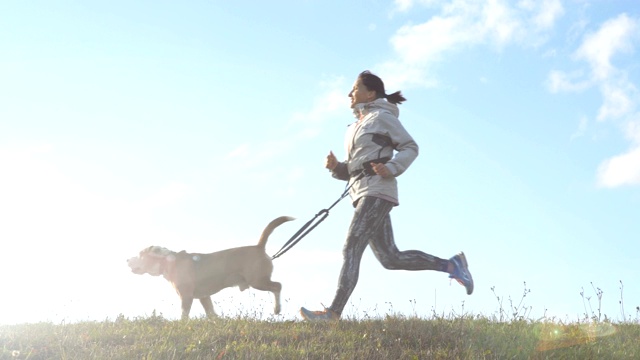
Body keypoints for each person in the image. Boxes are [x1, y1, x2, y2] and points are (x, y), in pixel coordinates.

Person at [299, 70, 473, 321]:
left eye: (355, 88)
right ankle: (451, 265)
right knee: (390, 257)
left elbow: (410, 147)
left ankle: (333, 314)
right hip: (362, 193)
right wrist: (337, 167)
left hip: (378, 191)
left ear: (370, 93)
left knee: (352, 245)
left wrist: (391, 167)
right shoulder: (355, 126)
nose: (350, 93)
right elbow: (356, 168)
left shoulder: (383, 116)